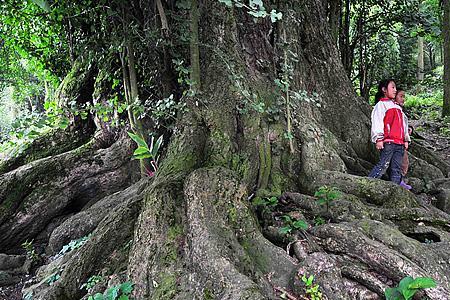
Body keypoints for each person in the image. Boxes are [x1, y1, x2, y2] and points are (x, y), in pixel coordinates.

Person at [368, 79, 411, 185]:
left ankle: (395, 190)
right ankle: (368, 183)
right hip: (389, 142)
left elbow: (403, 125)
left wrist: (406, 139)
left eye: (395, 88)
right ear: (384, 89)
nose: (395, 90)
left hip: (400, 143)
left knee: (396, 168)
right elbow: (377, 122)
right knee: (383, 165)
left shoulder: (397, 107)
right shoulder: (381, 105)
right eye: (393, 87)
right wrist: (378, 138)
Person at [394, 87, 412, 190]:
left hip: (402, 140)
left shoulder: (400, 110)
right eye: (401, 96)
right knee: (401, 163)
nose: (403, 99)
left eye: (404, 96)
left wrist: (409, 130)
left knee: (403, 162)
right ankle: (398, 182)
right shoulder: (394, 109)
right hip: (397, 141)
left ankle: (400, 180)